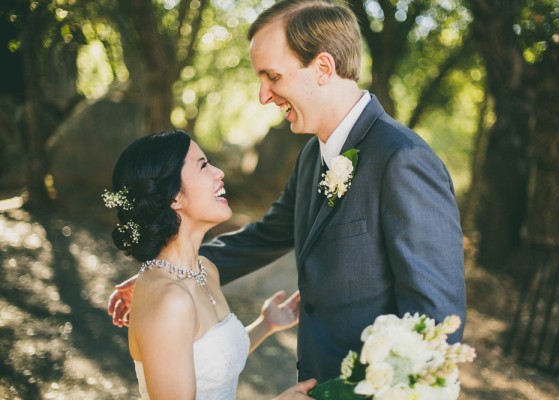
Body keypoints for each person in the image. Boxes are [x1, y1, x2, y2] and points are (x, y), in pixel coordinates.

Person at [108, 0, 466, 384]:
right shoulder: (313, 155)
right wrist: (172, 272)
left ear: (323, 68)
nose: (264, 96)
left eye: (273, 77)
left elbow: (434, 325)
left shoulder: (403, 159)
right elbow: (266, 235)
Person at [105, 130, 315, 399]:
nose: (219, 173)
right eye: (203, 165)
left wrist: (267, 324)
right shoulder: (169, 301)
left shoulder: (206, 270)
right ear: (174, 198)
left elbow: (211, 360)